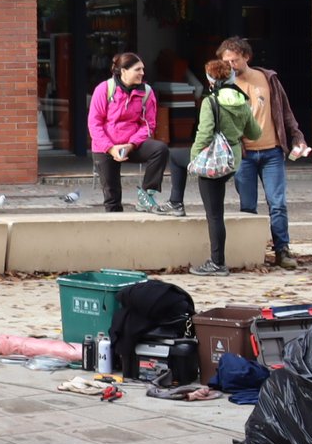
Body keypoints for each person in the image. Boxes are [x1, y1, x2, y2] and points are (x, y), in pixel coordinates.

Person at [219, 37, 310, 269]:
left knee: (277, 203)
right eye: (226, 61)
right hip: (245, 154)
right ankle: (252, 253)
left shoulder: (268, 79)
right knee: (247, 205)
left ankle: (282, 250)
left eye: (235, 60)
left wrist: (297, 136)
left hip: (272, 151)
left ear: (246, 57)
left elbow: (285, 112)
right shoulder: (224, 85)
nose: (231, 65)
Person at [189, 58, 262, 277]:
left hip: (213, 161)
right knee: (217, 211)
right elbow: (255, 133)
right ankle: (217, 261)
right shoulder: (241, 99)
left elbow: (205, 133)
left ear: (210, 79)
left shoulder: (210, 102)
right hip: (231, 161)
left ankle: (217, 262)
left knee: (214, 215)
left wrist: (194, 158)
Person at [87, 52, 179, 214]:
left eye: (143, 69)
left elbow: (149, 124)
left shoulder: (147, 92)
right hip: (106, 146)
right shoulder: (104, 89)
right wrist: (110, 148)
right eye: (138, 69)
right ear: (123, 71)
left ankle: (146, 195)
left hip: (132, 144)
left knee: (160, 149)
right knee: (112, 197)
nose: (142, 73)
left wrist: (131, 144)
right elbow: (94, 124)